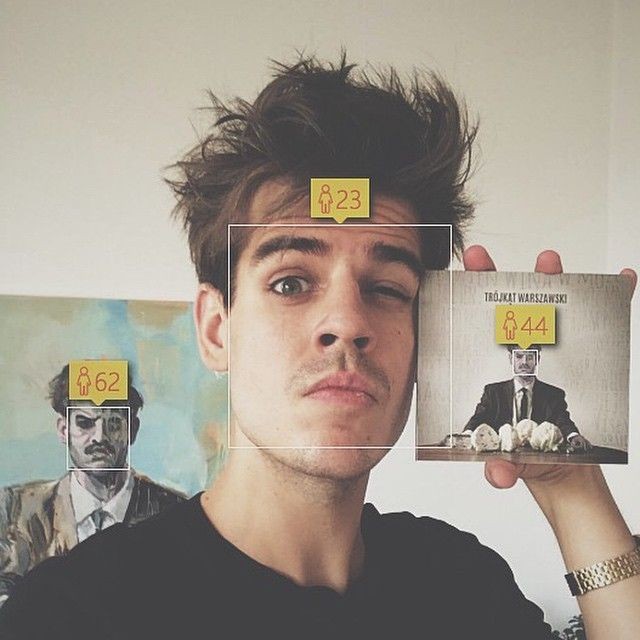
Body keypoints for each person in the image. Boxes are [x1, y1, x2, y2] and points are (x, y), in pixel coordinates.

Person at [0, 54, 638, 639]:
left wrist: (572, 487)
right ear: (217, 329)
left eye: (386, 288)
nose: (347, 321)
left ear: (430, 342)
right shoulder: (69, 615)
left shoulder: (461, 583)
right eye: (291, 283)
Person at [0, 364, 185, 606]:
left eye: (114, 423)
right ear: (64, 429)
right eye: (85, 423)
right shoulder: (17, 510)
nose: (99, 437)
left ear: (132, 429)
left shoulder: (174, 513)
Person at [464, 344, 592, 450]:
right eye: (519, 356)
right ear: (511, 359)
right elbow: (479, 417)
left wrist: (573, 436)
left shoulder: (554, 395)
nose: (524, 362)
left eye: (530, 357)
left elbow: (563, 420)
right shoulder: (493, 392)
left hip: (539, 457)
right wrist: (466, 435)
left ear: (537, 359)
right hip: (503, 456)